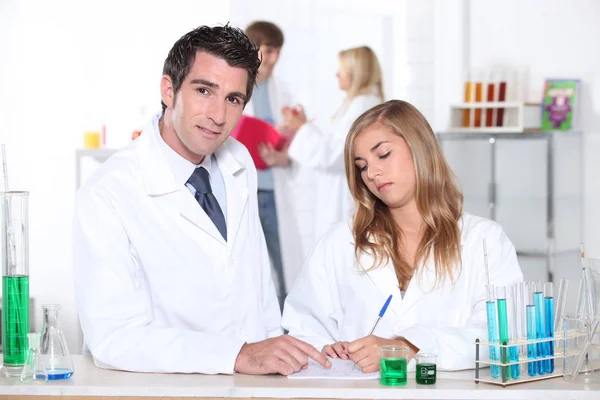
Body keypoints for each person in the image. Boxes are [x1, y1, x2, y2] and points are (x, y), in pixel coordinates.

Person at [73, 24, 330, 376]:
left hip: (254, 387)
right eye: (204, 90)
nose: (218, 116)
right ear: (169, 90)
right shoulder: (109, 191)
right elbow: (114, 337)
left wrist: (276, 358)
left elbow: (259, 290)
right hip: (170, 391)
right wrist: (238, 355)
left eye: (233, 99)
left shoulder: (238, 161)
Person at [282, 100, 524, 372]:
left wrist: (408, 347)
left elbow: (505, 336)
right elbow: (303, 326)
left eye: (383, 154)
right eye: (362, 166)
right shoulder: (340, 243)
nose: (372, 173)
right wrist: (326, 349)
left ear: (419, 147)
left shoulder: (484, 241)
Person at [261, 46, 384, 245]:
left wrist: (301, 128)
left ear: (355, 73)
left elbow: (335, 155)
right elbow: (335, 145)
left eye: (341, 70)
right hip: (340, 196)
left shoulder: (362, 106)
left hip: (345, 199)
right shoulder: (356, 104)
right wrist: (302, 126)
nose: (337, 75)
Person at [242, 21, 295, 309]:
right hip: (245, 192)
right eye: (270, 51)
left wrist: (282, 157)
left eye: (278, 52)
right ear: (255, 49)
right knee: (248, 267)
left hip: (274, 192)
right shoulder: (236, 85)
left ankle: (287, 330)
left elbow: (297, 148)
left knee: (282, 264)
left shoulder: (283, 92)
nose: (274, 59)